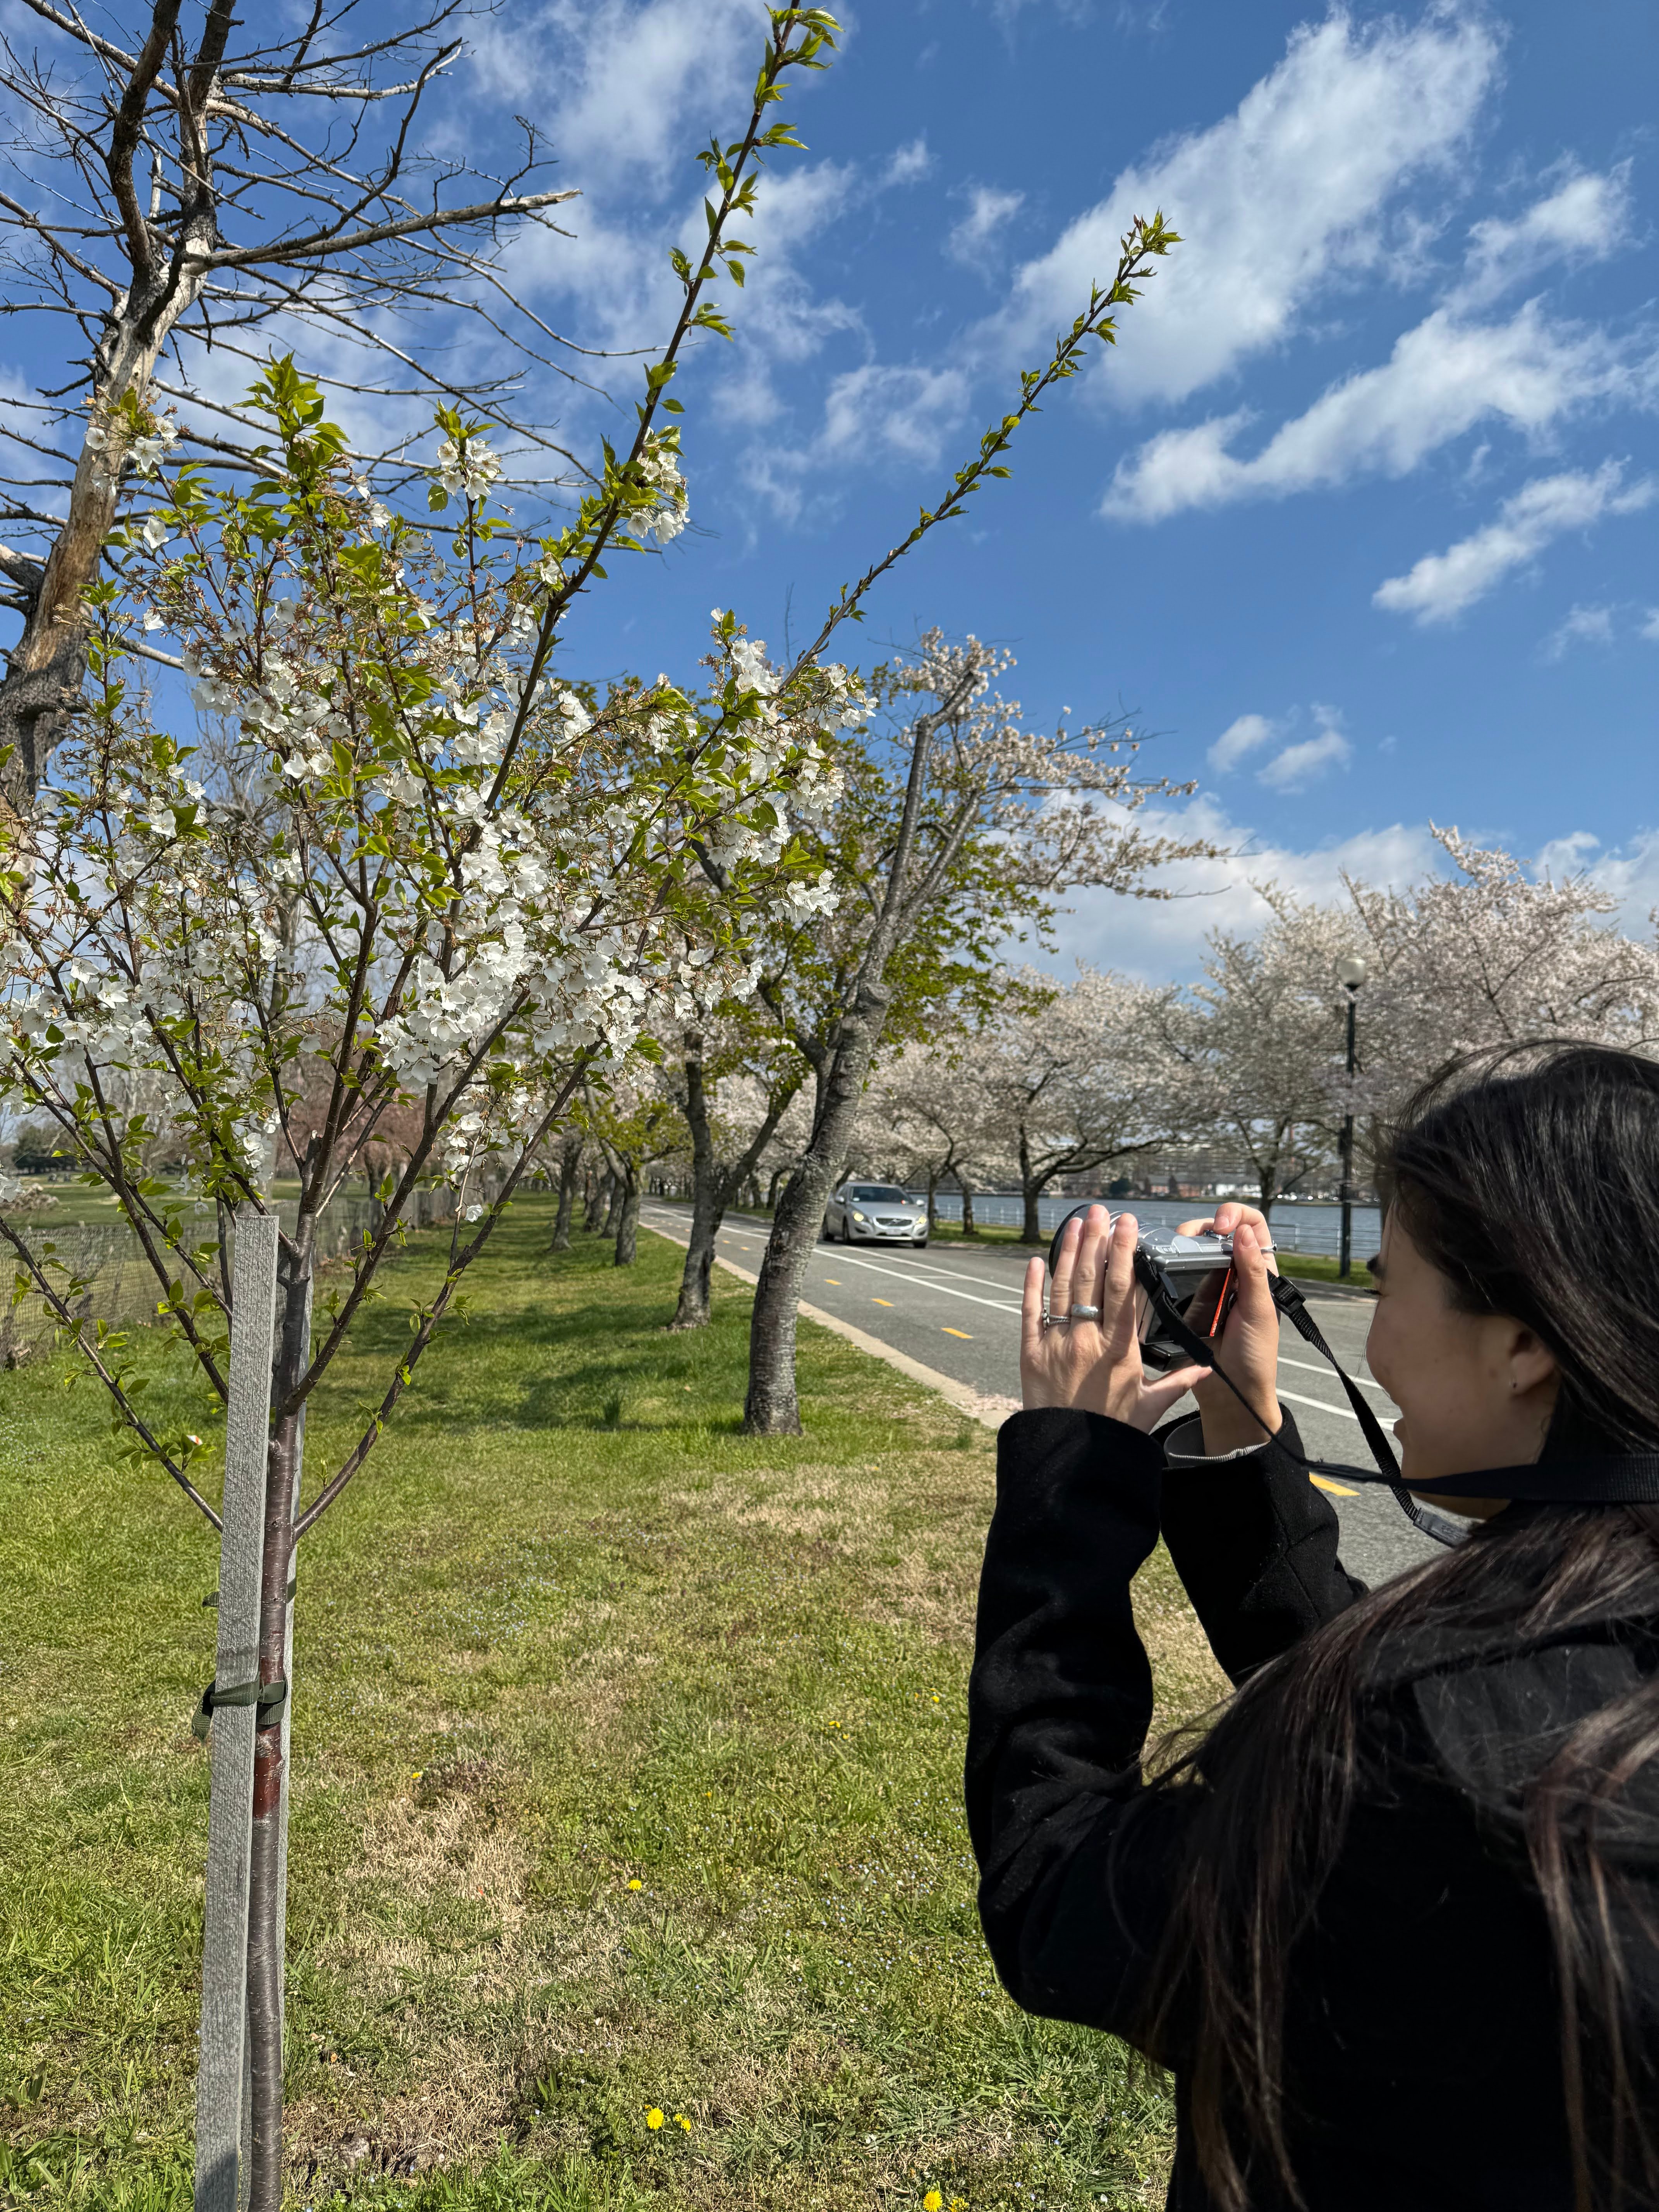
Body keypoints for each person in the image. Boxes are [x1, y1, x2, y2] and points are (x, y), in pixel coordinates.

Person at [966, 1043, 1659, 2211]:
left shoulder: (1426, 1761)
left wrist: (1065, 1494)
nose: (1371, 1340)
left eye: (1388, 1286)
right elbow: (1399, 1686)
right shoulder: (1573, 1652)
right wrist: (1236, 1432)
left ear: (1527, 1340)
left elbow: (1062, 1897)